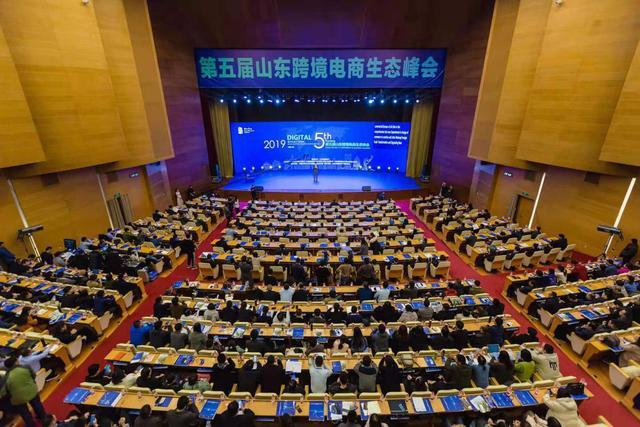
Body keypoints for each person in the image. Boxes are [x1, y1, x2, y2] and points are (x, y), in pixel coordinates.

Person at [4, 356, 47, 427]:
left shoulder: (6, 376)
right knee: (37, 405)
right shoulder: (25, 367)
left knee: (25, 413)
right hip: (31, 391)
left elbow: (7, 390)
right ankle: (43, 418)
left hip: (18, 398)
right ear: (15, 362)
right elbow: (33, 376)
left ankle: (31, 424)